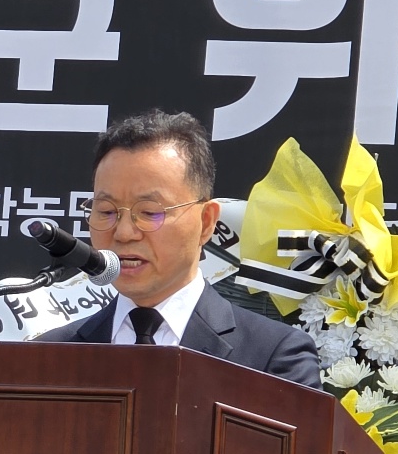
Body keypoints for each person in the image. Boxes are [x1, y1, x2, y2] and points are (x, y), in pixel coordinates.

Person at [38, 110, 321, 389]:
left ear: (206, 222)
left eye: (149, 212)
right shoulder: (50, 356)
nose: (123, 233)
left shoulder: (273, 357)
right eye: (106, 211)